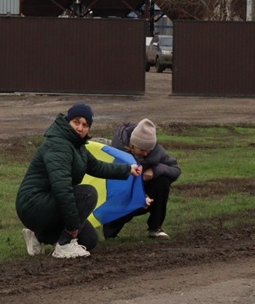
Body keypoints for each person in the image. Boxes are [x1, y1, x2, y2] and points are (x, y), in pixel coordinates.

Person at [16, 102, 143, 258]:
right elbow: (62, 189)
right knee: (88, 194)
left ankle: (37, 236)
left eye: (85, 124)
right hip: (33, 204)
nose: (80, 128)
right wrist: (71, 229)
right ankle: (64, 246)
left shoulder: (77, 146)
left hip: (49, 202)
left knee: (90, 240)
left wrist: (128, 169)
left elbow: (97, 167)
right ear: (68, 121)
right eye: (76, 122)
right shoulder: (59, 145)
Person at [106, 118, 181, 239]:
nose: (146, 154)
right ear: (133, 145)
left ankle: (155, 228)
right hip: (122, 191)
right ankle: (110, 230)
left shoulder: (157, 151)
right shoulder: (117, 151)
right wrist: (139, 194)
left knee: (163, 181)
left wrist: (156, 170)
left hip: (146, 190)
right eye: (142, 150)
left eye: (149, 150)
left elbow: (176, 169)